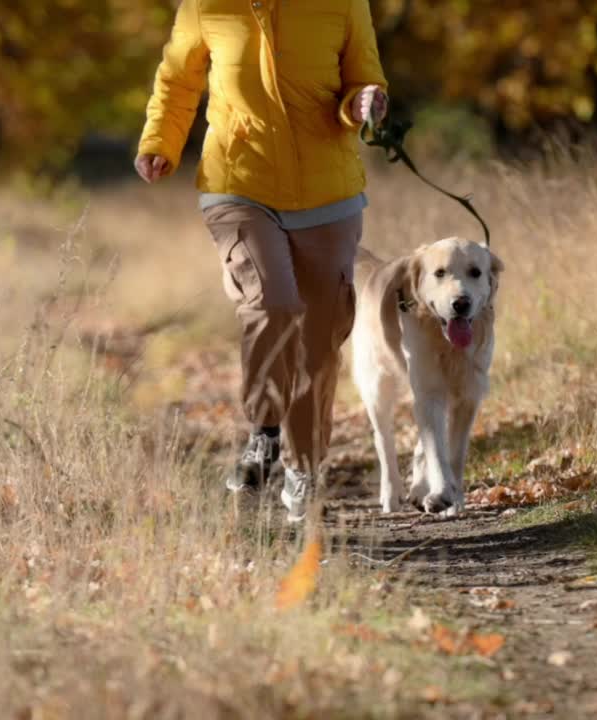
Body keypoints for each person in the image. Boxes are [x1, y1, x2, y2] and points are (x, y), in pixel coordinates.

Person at [135, 0, 388, 522]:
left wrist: (364, 102)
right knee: (271, 301)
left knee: (319, 342)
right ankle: (264, 430)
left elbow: (362, 80)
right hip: (238, 182)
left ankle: (303, 469)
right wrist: (161, 139)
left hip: (328, 191)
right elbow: (179, 79)